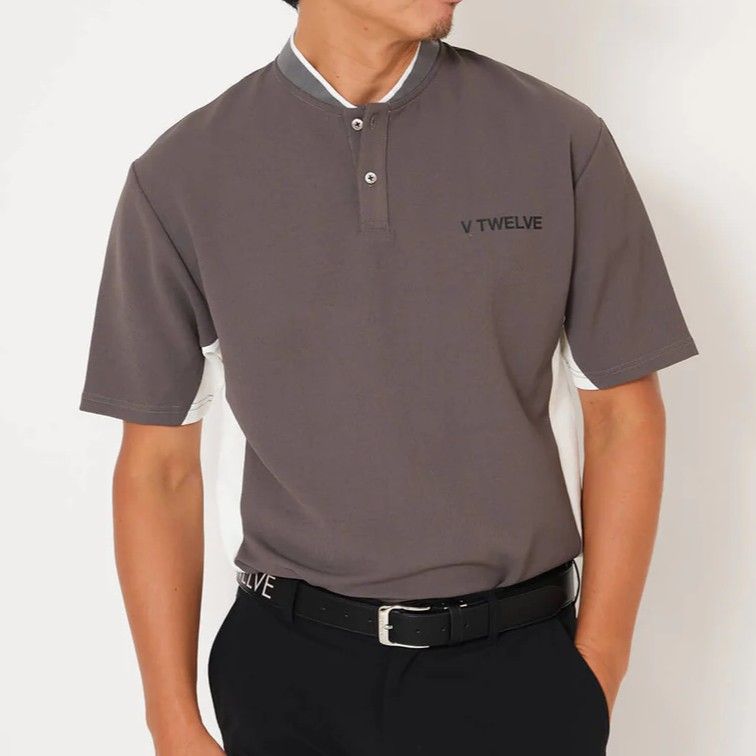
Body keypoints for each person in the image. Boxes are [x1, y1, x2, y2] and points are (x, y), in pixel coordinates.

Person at [80, 0, 698, 754]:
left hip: (520, 671)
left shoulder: (559, 137)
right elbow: (158, 468)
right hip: (289, 678)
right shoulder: (180, 176)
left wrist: (598, 664)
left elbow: (624, 417)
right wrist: (171, 720)